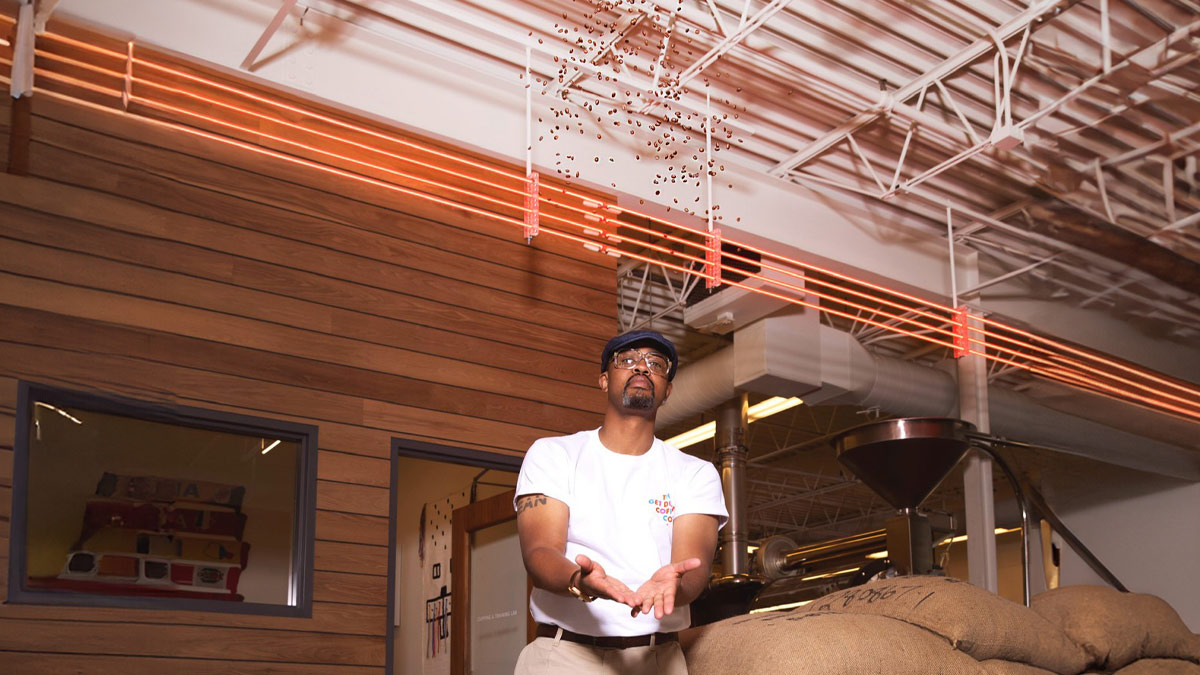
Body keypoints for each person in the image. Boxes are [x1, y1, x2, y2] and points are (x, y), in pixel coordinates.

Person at [513, 329, 729, 675]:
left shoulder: (695, 473)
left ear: (668, 390)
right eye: (627, 360)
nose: (641, 368)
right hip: (564, 656)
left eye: (655, 364)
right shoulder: (554, 455)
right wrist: (579, 581)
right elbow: (539, 553)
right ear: (603, 380)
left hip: (657, 659)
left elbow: (694, 567)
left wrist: (676, 585)